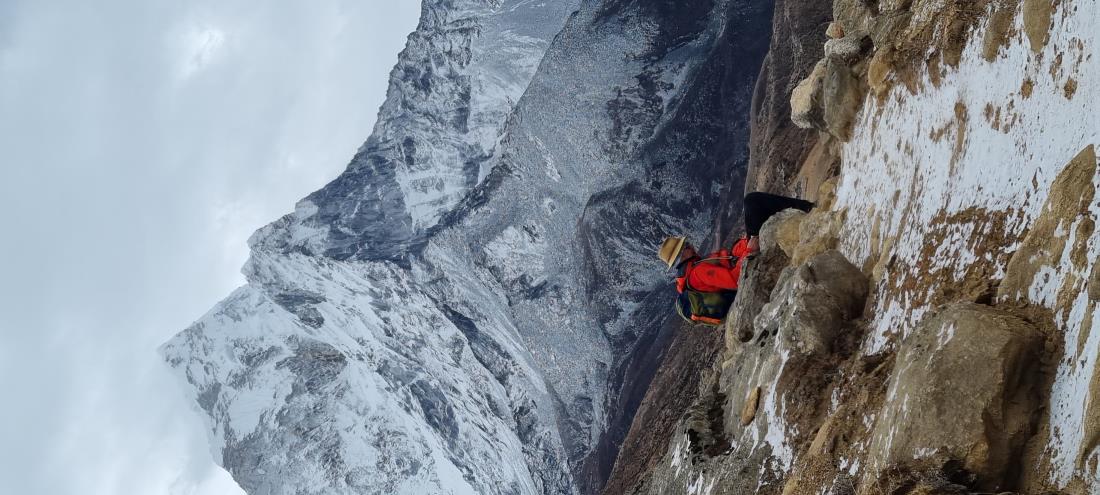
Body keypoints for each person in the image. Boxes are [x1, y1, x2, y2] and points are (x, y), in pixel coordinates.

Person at [658, 192, 814, 325]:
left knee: (754, 206)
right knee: (753, 202)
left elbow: (727, 260)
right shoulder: (698, 272)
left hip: (742, 259)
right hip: (746, 271)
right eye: (686, 245)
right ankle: (809, 209)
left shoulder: (693, 271)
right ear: (683, 253)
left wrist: (743, 244)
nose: (690, 245)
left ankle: (806, 209)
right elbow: (734, 279)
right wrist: (749, 250)